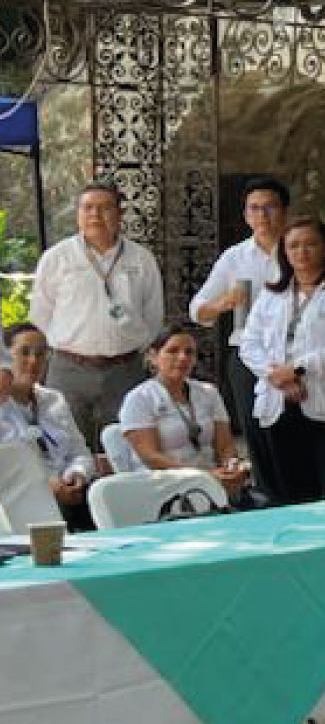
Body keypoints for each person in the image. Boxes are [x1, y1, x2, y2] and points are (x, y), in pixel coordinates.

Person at [237, 217, 325, 504]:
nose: (302, 252)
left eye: (310, 244)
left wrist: (299, 369)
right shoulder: (271, 296)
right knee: (289, 498)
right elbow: (249, 344)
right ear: (284, 253)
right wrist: (277, 376)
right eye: (293, 246)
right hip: (278, 404)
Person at [30, 182, 165, 448]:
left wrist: (127, 344)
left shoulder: (141, 259)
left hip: (125, 370)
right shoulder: (57, 258)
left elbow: (153, 315)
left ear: (119, 213)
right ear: (78, 214)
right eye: (88, 208)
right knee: (64, 448)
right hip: (69, 369)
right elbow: (41, 315)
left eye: (104, 208)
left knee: (124, 449)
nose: (95, 215)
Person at [190, 176, 288, 494]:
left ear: (284, 211)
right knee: (257, 434)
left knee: (294, 431)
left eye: (270, 207)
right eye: (254, 208)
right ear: (246, 215)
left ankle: (301, 498)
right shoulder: (235, 258)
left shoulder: (297, 249)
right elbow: (198, 309)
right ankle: (268, 497)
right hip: (248, 356)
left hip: (292, 354)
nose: (262, 215)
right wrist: (224, 302)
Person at [117, 327, 254, 503]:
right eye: (173, 351)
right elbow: (150, 457)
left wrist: (231, 467)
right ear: (153, 357)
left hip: (213, 481)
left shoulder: (208, 392)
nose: (182, 358)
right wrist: (203, 475)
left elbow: (225, 445)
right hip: (164, 485)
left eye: (189, 352)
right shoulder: (139, 398)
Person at [0, 323, 95, 520]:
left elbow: (80, 452)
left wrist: (77, 474)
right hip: (22, 500)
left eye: (41, 354)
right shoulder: (2, 405)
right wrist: (47, 485)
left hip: (70, 493)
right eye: (24, 353)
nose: (33, 361)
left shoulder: (54, 399)